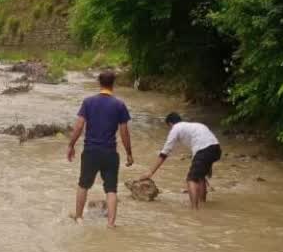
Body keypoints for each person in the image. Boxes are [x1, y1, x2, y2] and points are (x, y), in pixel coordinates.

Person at [65, 71, 134, 227]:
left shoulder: (88, 102)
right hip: (110, 153)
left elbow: (79, 126)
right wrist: (129, 153)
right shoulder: (119, 105)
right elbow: (124, 132)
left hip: (91, 151)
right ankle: (111, 223)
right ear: (113, 84)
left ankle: (79, 217)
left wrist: (71, 145)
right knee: (111, 189)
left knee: (83, 184)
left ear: (99, 83)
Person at [141, 113, 222, 210]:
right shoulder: (196, 125)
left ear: (170, 124)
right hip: (216, 149)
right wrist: (208, 166)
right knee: (200, 177)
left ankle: (194, 210)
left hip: (203, 150)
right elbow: (209, 144)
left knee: (191, 179)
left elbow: (165, 152)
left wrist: (150, 172)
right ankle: (202, 203)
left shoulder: (176, 128)